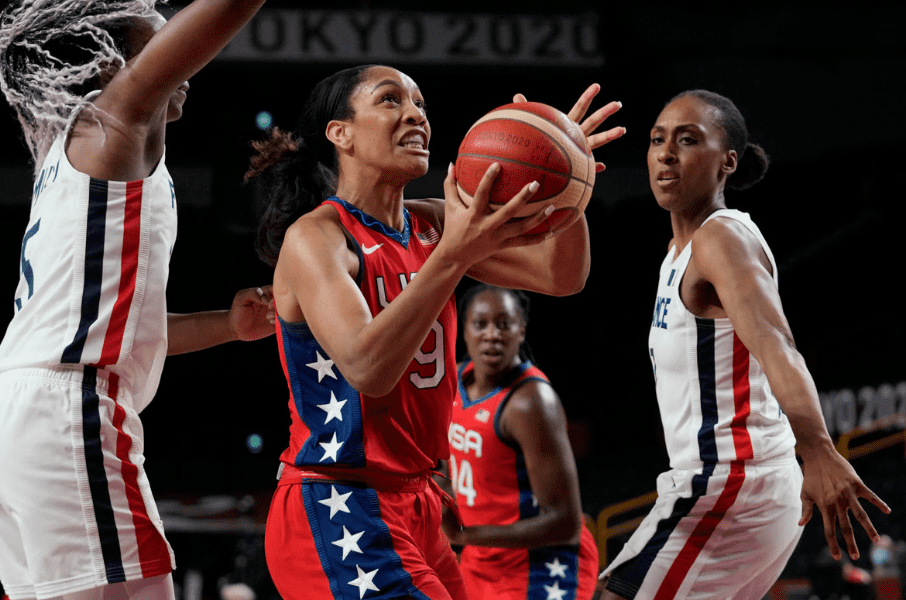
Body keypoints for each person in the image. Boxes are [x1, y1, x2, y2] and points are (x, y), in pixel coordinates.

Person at [0, 0, 304, 599]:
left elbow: (110, 325)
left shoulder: (69, 158)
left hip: (5, 418)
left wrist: (226, 326)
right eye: (161, 39)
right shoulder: (115, 122)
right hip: (63, 410)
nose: (182, 57)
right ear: (116, 63)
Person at [245, 65, 623, 599]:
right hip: (337, 503)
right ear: (341, 133)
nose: (415, 114)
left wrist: (566, 178)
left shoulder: (432, 223)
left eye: (420, 103)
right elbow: (368, 368)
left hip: (419, 500)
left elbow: (562, 276)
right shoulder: (317, 237)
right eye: (390, 100)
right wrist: (453, 255)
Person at [597, 90, 891, 600]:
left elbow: (777, 343)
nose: (666, 154)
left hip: (733, 482)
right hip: (734, 483)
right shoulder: (678, 253)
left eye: (688, 141)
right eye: (657, 140)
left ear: (727, 161)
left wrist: (818, 449)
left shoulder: (721, 239)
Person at [442, 284, 598, 600]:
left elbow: (565, 524)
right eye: (480, 324)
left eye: (504, 324)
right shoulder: (453, 382)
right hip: (481, 557)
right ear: (464, 330)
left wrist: (463, 535)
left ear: (521, 331)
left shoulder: (530, 402)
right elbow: (445, 467)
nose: (492, 335)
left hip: (540, 562)